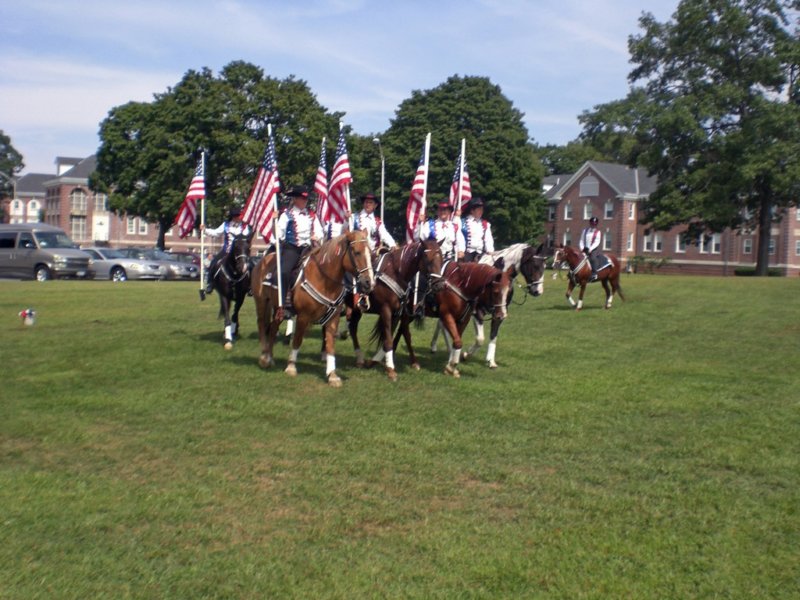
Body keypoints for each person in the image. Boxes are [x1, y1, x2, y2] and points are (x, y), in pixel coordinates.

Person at [276, 184, 323, 318]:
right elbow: (280, 232)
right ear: (295, 199)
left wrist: (317, 236)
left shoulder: (312, 215)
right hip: (292, 248)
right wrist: (277, 234)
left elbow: (319, 230)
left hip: (309, 249)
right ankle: (285, 302)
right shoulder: (286, 215)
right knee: (285, 271)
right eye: (302, 199)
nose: (305, 201)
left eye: (306, 199)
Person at [200, 206, 251, 296]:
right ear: (232, 216)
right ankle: (210, 284)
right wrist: (205, 230)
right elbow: (215, 232)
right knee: (214, 263)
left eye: (239, 215)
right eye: (236, 215)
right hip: (227, 250)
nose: (238, 217)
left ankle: (250, 286)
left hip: (239, 252)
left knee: (251, 265)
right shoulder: (225, 225)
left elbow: (246, 237)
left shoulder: (244, 226)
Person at [460, 197, 494, 262]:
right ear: (472, 210)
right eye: (479, 209)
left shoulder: (485, 224)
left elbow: (488, 239)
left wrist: (490, 251)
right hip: (466, 254)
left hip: (480, 254)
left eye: (482, 209)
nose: (481, 211)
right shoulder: (462, 222)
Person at [579, 216, 602, 281]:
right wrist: (582, 248)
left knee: (592, 258)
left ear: (596, 224)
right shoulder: (585, 231)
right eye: (592, 223)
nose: (593, 225)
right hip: (584, 248)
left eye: (594, 224)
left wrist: (591, 249)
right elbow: (581, 240)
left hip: (593, 249)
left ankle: (594, 273)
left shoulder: (598, 232)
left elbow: (597, 242)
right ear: (590, 223)